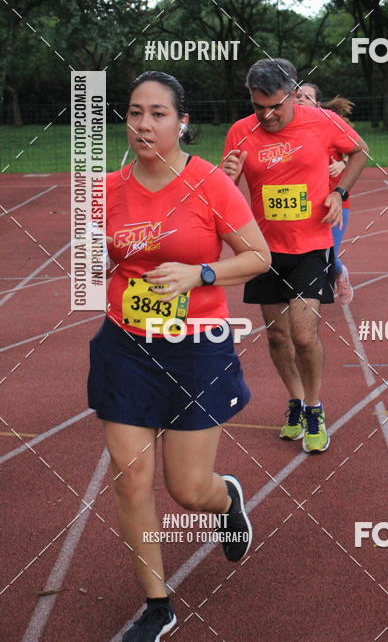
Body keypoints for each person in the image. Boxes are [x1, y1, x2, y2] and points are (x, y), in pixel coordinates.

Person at [88, 71, 270, 642]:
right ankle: (157, 605)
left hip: (195, 346)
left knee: (187, 488)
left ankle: (227, 497)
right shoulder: (105, 190)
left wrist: (200, 272)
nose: (143, 124)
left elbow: (258, 257)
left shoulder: (210, 183)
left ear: (182, 122)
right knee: (131, 478)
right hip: (126, 344)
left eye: (158, 114)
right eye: (135, 112)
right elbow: (98, 265)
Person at [221, 58, 369, 453]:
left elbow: (359, 151)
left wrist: (339, 193)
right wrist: (228, 174)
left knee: (304, 336)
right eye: (258, 107)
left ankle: (315, 407)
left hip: (309, 245)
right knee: (276, 336)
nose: (267, 115)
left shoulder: (321, 121)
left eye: (275, 106)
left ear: (291, 94)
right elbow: (225, 195)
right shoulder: (240, 131)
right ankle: (296, 401)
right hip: (262, 250)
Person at [296, 82, 355, 304]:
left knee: (329, 251)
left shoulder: (330, 125)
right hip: (308, 201)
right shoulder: (290, 129)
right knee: (311, 250)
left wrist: (343, 163)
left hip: (336, 201)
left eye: (307, 97)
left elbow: (356, 150)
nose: (302, 99)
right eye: (298, 96)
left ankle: (340, 273)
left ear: (317, 103)